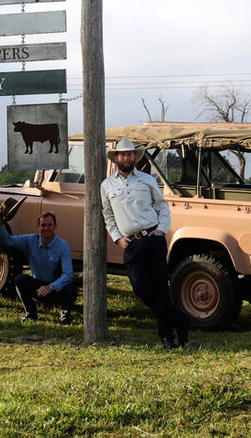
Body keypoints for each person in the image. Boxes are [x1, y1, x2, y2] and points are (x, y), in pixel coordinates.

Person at [100, 138, 189, 349]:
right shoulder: (107, 185)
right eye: (122, 154)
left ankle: (167, 337)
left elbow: (162, 206)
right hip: (131, 244)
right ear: (116, 158)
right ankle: (179, 319)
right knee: (141, 288)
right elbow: (108, 215)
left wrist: (161, 230)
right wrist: (117, 238)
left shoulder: (147, 179)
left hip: (153, 238)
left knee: (160, 288)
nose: (126, 158)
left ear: (134, 157)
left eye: (130, 154)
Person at [0, 205, 76, 325]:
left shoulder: (63, 246)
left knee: (71, 288)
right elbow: (8, 241)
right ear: (38, 227)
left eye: (49, 225)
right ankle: (31, 314)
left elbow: (68, 274)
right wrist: (1, 222)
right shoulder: (29, 240)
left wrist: (51, 287)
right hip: (38, 289)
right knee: (20, 279)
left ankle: (65, 314)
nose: (46, 228)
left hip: (55, 290)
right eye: (43, 225)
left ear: (55, 227)